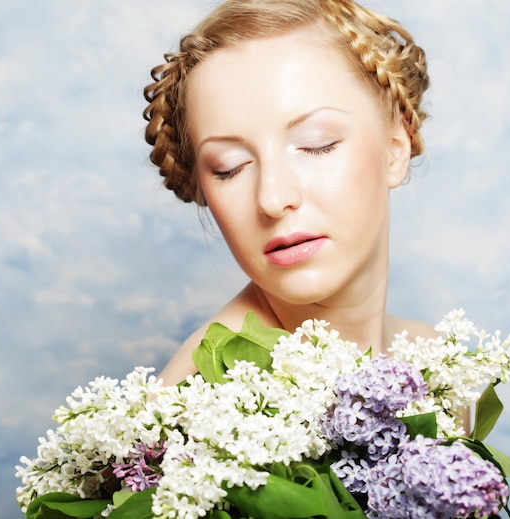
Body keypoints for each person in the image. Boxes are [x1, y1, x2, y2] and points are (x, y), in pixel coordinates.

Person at [144, 0, 434, 387]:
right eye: (229, 167)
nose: (272, 199)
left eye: (317, 144)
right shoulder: (196, 397)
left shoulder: (432, 362)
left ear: (396, 148)